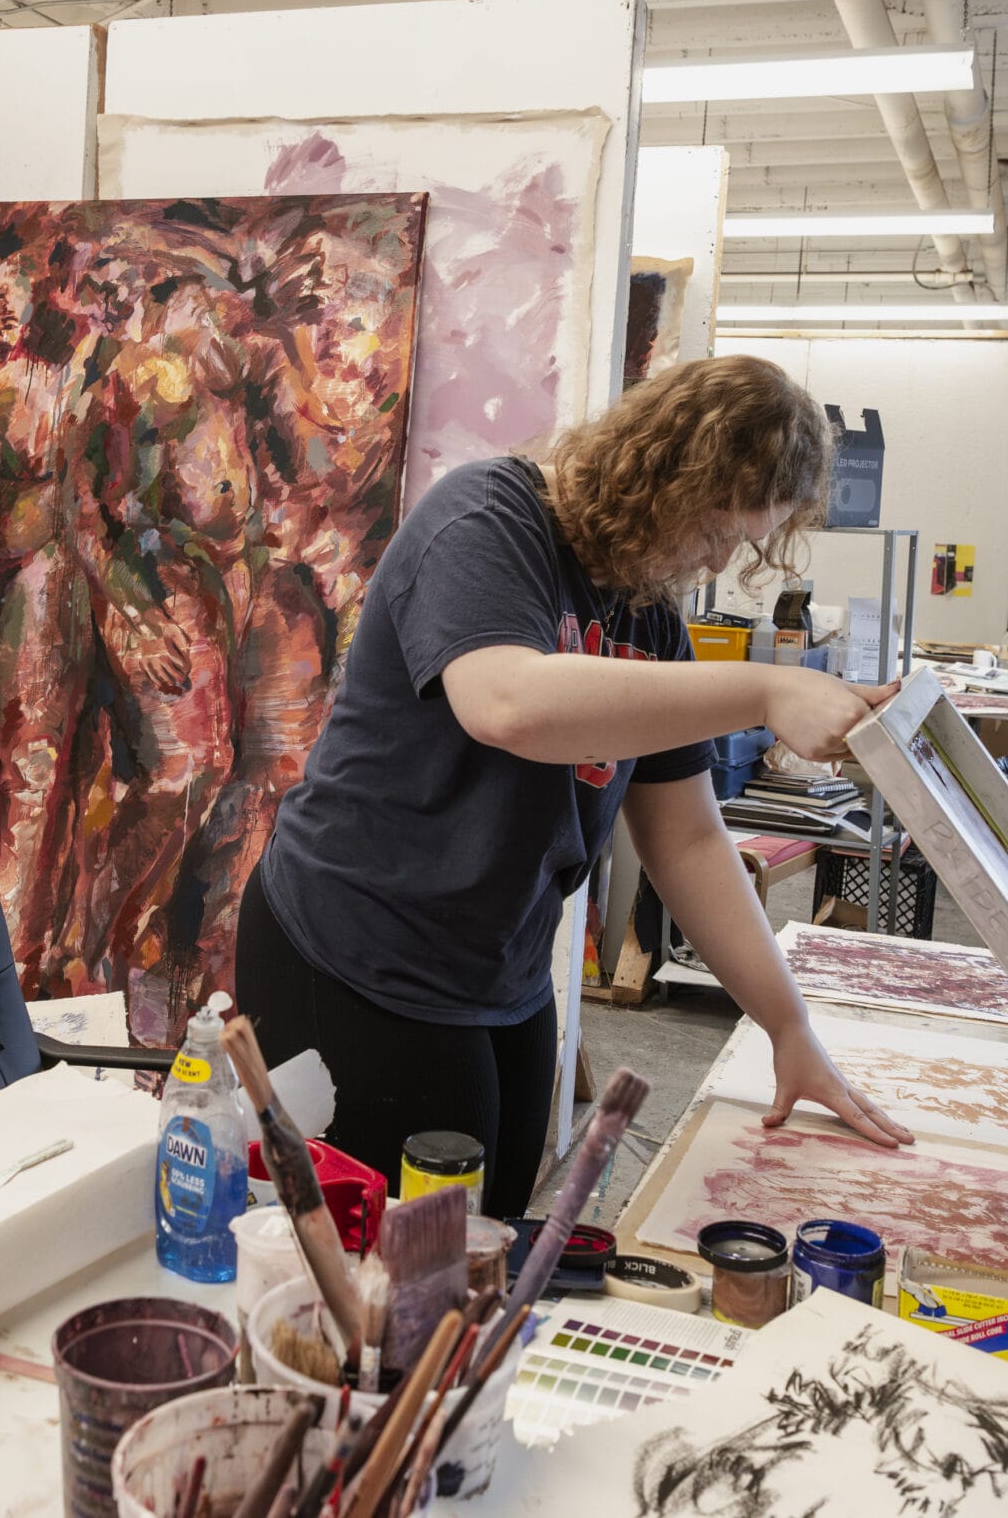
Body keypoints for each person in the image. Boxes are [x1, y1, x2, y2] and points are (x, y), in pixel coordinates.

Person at [238, 355, 916, 1219]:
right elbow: (508, 702)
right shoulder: (485, 518)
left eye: (750, 538)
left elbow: (689, 840)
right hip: (355, 946)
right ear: (669, 468)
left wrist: (788, 1026)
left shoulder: (648, 612)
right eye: (722, 522)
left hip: (499, 962)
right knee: (400, 1262)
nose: (723, 552)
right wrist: (763, 688)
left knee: (495, 1236)